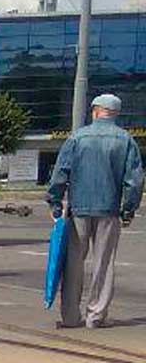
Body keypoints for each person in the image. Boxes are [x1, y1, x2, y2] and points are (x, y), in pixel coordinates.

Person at [47, 94, 143, 329]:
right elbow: (134, 180)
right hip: (109, 210)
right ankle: (96, 315)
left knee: (73, 263)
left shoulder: (78, 137)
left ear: (95, 111)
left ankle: (70, 316)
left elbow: (61, 171)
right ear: (115, 113)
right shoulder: (126, 140)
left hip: (79, 208)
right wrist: (128, 209)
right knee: (104, 262)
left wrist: (55, 201)